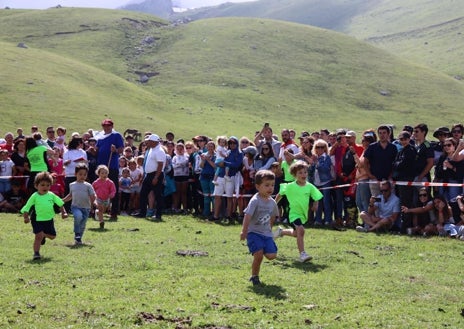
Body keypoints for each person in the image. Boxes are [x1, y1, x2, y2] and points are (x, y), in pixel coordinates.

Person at [274, 161, 323, 262]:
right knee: (301, 231)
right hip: (292, 213)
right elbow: (280, 194)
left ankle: (281, 232)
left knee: (297, 233)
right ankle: (302, 254)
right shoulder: (289, 186)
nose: (303, 175)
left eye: (305, 172)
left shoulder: (310, 186)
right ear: (294, 175)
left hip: (303, 215)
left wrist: (315, 204)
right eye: (300, 173)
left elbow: (316, 196)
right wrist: (273, 204)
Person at [240, 169, 279, 285]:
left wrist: (270, 230)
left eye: (272, 185)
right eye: (266, 185)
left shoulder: (272, 203)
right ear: (258, 186)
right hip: (253, 232)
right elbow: (247, 216)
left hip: (266, 233)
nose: (270, 188)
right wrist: (244, 231)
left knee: (272, 256)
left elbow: (273, 216)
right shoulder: (255, 201)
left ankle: (272, 240)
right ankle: (254, 276)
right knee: (259, 255)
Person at [21, 171, 68, 260]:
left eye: (47, 185)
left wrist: (63, 212)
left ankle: (44, 235)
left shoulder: (51, 195)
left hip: (49, 219)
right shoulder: (34, 196)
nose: (45, 187)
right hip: (37, 219)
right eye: (42, 185)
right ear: (36, 186)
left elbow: (60, 203)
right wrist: (26, 217)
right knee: (38, 236)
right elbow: (27, 207)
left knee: (53, 237)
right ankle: (36, 253)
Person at [95, 119, 124, 220]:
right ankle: (98, 210)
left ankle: (114, 212)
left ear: (112, 126)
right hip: (100, 167)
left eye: (108, 126)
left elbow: (121, 149)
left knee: (113, 189)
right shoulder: (100, 136)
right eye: (104, 126)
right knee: (99, 189)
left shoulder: (116, 135)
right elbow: (97, 150)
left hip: (111, 166)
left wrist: (115, 150)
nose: (106, 127)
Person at [62, 163, 96, 245]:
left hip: (86, 208)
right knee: (78, 216)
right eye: (80, 174)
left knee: (83, 224)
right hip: (75, 206)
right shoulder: (72, 185)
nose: (82, 176)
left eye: (84, 175)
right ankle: (77, 233)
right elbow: (70, 195)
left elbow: (93, 196)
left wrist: (94, 203)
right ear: (75, 174)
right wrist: (63, 200)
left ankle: (78, 239)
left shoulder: (88, 186)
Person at [135, 134, 166, 220]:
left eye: (149, 141)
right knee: (143, 194)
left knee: (158, 195)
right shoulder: (152, 149)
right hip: (149, 175)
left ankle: (158, 215)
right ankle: (142, 213)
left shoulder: (159, 151)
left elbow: (160, 165)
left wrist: (156, 177)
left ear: (154, 142)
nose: (147, 142)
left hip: (156, 174)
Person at [391, 131, 417, 232]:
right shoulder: (402, 150)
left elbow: (402, 164)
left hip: (406, 179)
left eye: (404, 139)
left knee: (405, 203)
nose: (403, 141)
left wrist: (396, 164)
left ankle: (405, 226)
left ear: (409, 139)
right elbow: (395, 163)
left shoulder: (410, 150)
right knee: (402, 202)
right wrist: (396, 164)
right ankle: (402, 225)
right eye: (401, 139)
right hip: (400, 179)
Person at [364, 125, 398, 197]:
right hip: (375, 179)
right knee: (377, 202)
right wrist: (370, 175)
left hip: (389, 179)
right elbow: (365, 162)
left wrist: (391, 175)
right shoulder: (372, 147)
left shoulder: (393, 147)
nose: (382, 135)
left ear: (388, 134)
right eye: (380, 133)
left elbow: (395, 163)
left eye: (384, 133)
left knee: (391, 200)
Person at [311, 140, 333, 226]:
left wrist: (317, 163)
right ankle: (318, 220)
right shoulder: (314, 157)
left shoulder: (327, 158)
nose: (319, 149)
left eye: (322, 147)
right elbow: (311, 171)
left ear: (325, 148)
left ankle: (328, 220)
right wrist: (311, 163)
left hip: (325, 182)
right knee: (317, 202)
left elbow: (326, 169)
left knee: (326, 202)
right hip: (316, 183)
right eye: (317, 147)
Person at [434, 137, 463, 201]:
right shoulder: (442, 157)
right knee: (443, 202)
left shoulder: (459, 157)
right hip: (442, 182)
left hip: (454, 182)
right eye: (444, 145)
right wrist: (436, 181)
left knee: (453, 201)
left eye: (449, 145)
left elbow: (461, 172)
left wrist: (451, 167)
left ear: (454, 146)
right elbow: (437, 170)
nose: (446, 147)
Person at [92, 165, 116, 229]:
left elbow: (113, 190)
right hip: (98, 198)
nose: (104, 174)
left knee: (103, 210)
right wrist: (93, 197)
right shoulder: (95, 182)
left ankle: (96, 212)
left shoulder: (110, 182)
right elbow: (92, 190)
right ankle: (101, 222)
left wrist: (111, 194)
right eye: (102, 173)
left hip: (106, 199)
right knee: (100, 209)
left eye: (106, 173)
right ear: (98, 174)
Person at [199, 141, 216, 217]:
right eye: (208, 146)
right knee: (206, 195)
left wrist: (209, 160)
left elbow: (215, 166)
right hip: (204, 177)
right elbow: (201, 166)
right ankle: (206, 212)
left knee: (213, 195)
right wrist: (203, 160)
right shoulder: (204, 155)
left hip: (213, 177)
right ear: (206, 147)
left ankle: (215, 212)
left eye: (211, 146)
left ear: (214, 147)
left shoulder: (216, 156)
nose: (210, 148)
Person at [172, 143, 190, 213]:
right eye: (178, 149)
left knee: (184, 192)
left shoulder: (187, 156)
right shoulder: (175, 157)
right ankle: (176, 208)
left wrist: (179, 165)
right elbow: (173, 166)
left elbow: (188, 164)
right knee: (177, 192)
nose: (179, 150)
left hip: (185, 175)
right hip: (177, 176)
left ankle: (185, 208)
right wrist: (180, 164)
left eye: (181, 149)